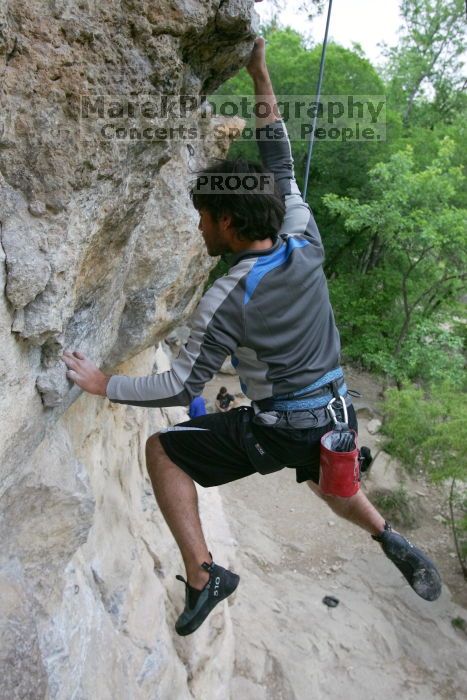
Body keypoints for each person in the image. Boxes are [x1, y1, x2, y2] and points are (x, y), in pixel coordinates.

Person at [62, 37, 442, 638]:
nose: (200, 226)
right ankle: (387, 535)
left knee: (163, 452)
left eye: (205, 218)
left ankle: (203, 574)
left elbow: (181, 383)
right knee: (326, 479)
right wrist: (262, 76)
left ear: (230, 223)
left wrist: (104, 383)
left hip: (288, 423)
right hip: (339, 413)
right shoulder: (303, 236)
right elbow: (280, 160)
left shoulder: (229, 295)